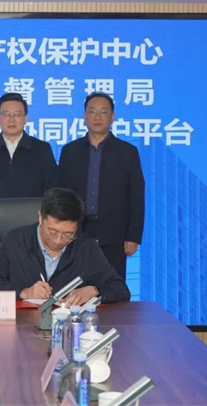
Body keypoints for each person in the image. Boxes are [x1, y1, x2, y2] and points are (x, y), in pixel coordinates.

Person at [0, 188, 130, 305]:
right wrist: (23, 292)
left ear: (77, 227)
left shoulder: (86, 247)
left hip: (67, 328)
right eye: (52, 231)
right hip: (22, 325)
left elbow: (120, 289)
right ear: (40, 218)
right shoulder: (15, 240)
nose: (58, 240)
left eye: (68, 234)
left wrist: (94, 290)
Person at [58, 92, 145, 279]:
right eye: (92, 111)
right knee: (74, 284)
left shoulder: (127, 152)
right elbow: (61, 195)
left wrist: (133, 236)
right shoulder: (70, 151)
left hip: (114, 233)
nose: (97, 117)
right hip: (76, 232)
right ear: (85, 116)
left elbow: (136, 196)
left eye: (104, 112)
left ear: (112, 117)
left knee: (112, 285)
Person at [0, 92, 58, 258]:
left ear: (26, 118)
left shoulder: (41, 149)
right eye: (6, 114)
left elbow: (51, 191)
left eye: (17, 114)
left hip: (33, 233)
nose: (11, 120)